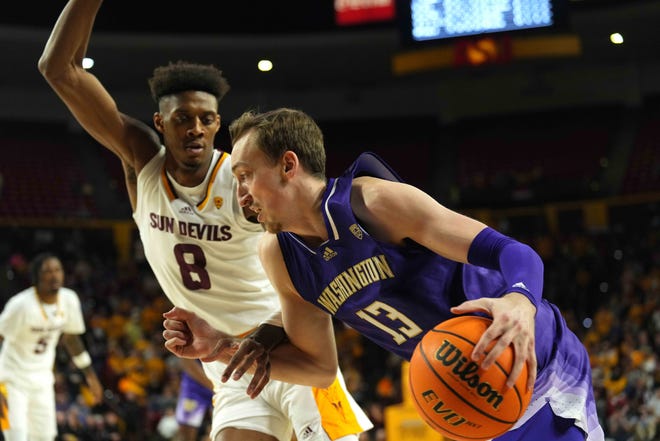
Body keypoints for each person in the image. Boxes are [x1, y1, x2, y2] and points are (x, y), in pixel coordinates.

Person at [161, 107, 606, 441]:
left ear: (288, 166)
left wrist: (521, 301)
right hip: (460, 387)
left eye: (244, 176)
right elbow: (318, 367)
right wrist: (221, 346)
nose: (239, 193)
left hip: (531, 360)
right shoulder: (278, 254)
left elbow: (513, 252)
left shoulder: (373, 203)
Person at [39, 2, 372, 441]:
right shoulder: (143, 165)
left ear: (218, 124)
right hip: (228, 361)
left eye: (206, 119)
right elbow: (58, 69)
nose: (195, 128)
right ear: (160, 123)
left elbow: (312, 260)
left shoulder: (244, 182)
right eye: (182, 119)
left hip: (289, 346)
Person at [0, 252, 104, 441]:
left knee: (45, 437)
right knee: (15, 437)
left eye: (57, 270)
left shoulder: (69, 299)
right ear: (37, 277)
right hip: (10, 381)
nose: (54, 275)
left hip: (42, 381)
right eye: (47, 271)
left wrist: (90, 376)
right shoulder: (20, 305)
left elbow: (72, 339)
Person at [176, 359, 213, 441]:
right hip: (194, 388)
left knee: (223, 428)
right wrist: (213, 386)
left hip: (219, 384)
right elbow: (187, 363)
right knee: (186, 431)